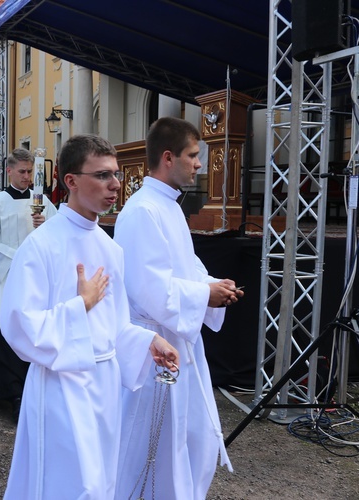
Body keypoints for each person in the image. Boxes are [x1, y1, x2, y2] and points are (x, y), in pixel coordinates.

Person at [0, 134, 179, 499]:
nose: (115, 185)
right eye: (102, 176)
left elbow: (113, 327)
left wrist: (148, 341)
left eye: (116, 175)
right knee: (70, 485)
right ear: (71, 181)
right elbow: (19, 326)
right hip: (61, 386)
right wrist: (79, 306)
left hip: (105, 385)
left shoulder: (111, 249)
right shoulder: (41, 245)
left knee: (101, 483)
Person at [114, 117, 242, 500]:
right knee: (152, 447)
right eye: (193, 155)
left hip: (179, 341)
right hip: (156, 348)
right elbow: (150, 288)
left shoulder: (168, 206)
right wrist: (204, 296)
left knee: (192, 439)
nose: (199, 164)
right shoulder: (142, 211)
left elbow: (183, 270)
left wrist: (212, 285)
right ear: (168, 158)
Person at [0, 148, 58, 423]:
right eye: (21, 171)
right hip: (6, 279)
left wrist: (44, 225)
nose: (26, 176)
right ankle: (9, 393)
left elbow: (59, 237)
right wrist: (19, 259)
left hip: (35, 282)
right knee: (3, 335)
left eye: (30, 171)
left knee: (29, 333)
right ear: (8, 171)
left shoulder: (44, 203)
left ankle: (29, 390)